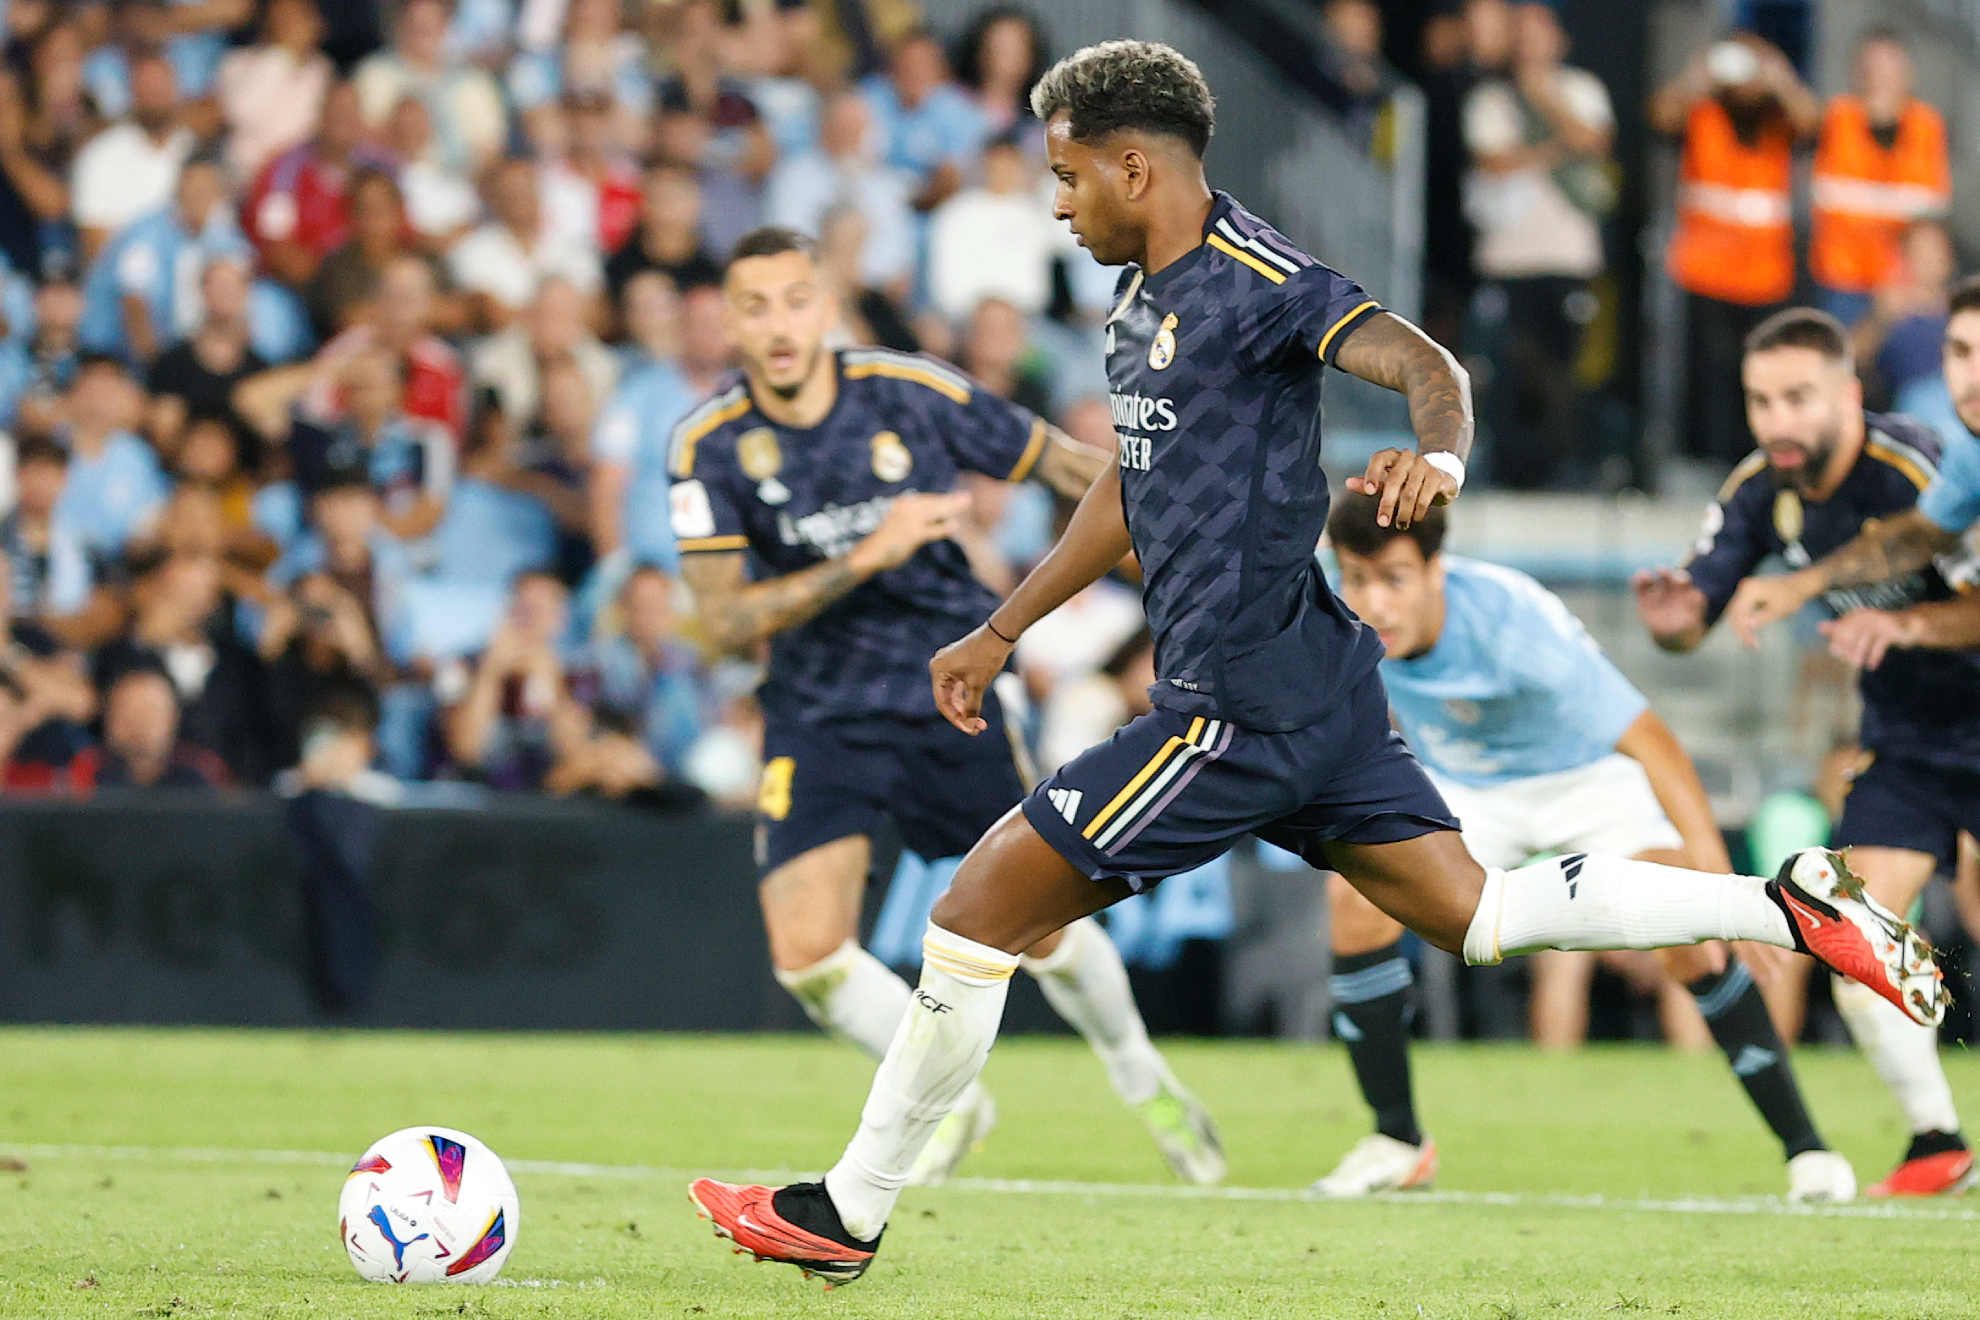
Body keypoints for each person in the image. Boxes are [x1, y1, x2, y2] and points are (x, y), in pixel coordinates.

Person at [688, 41, 1940, 1284]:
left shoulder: (1259, 276)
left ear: (1136, 166)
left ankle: (847, 1212)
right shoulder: (1137, 305)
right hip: (1315, 683)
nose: (1056, 202)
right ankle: (1785, 906)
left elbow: (1424, 364)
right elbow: (1130, 493)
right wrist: (1003, 627)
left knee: (971, 916)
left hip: (1233, 707)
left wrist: (1436, 457)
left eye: (1067, 176)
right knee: (1481, 915)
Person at [670, 224, 1225, 1192]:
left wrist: (1169, 530)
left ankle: (1143, 1077)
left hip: (947, 694)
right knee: (807, 955)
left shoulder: (908, 392)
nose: (781, 325)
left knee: (1043, 932)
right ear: (730, 324)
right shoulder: (708, 446)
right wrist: (866, 555)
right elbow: (717, 623)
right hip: (817, 709)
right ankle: (953, 1101)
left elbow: (1060, 464)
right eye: (755, 307)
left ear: (827, 302)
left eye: (797, 299)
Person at [1321, 489, 1852, 1201]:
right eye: (1357, 579)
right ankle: (1396, 1141)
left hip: (1585, 779)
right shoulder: (1330, 612)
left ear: (1436, 568)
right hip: (1467, 789)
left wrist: (1724, 893)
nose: (1373, 602)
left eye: (1393, 578)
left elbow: (1657, 749)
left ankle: (1807, 1151)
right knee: (1355, 899)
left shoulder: (1512, 623)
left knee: (1689, 939)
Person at [1686, 301, 1980, 1197]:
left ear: (1849, 393)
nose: (1968, 374)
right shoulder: (1964, 462)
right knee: (1858, 933)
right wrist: (1803, 586)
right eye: (1960, 352)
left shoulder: (1918, 457)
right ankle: (1938, 1139)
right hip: (1914, 740)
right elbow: (1910, 542)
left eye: (1798, 397)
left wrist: (1905, 623)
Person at [1651, 33, 1819, 467]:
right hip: (1704, 270)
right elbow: (1660, 116)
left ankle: (1758, 456)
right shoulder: (1703, 114)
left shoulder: (1779, 120)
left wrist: (1779, 77)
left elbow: (1814, 124)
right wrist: (1698, 75)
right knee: (1709, 376)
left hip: (1765, 274)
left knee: (1763, 373)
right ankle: (1703, 458)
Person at [1462, 3, 1612, 489]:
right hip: (1509, 260)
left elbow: (1594, 140)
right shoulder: (1491, 98)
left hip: (1568, 257)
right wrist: (1552, 149)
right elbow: (1491, 161)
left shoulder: (1583, 90)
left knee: (1564, 371)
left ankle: (1563, 471)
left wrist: (1540, 96)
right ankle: (1506, 471)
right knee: (1507, 371)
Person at [1810, 29, 1950, 328]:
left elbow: (1932, 209)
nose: (1881, 80)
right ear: (1857, 75)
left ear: (1908, 75)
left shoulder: (1926, 125)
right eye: (1872, 71)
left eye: (1890, 70)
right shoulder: (1838, 117)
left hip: (1905, 282)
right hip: (1843, 276)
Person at [70, 52, 193, 261]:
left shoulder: (195, 149)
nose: (156, 96)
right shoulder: (100, 156)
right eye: (147, 89)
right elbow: (96, 247)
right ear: (131, 93)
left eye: (162, 86)